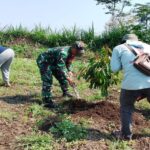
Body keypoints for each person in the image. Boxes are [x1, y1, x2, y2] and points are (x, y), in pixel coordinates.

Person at [110, 34, 150, 140]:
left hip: (131, 84)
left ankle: (126, 135)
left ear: (124, 41)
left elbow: (114, 68)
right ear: (137, 40)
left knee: (126, 108)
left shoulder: (119, 48)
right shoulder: (148, 46)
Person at [37, 41, 85, 108]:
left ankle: (66, 92)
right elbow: (61, 67)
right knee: (48, 80)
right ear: (73, 48)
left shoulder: (72, 53)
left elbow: (68, 63)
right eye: (77, 51)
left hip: (55, 62)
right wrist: (69, 79)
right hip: (44, 61)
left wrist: (70, 71)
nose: (77, 54)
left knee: (62, 78)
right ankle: (47, 101)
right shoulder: (63, 53)